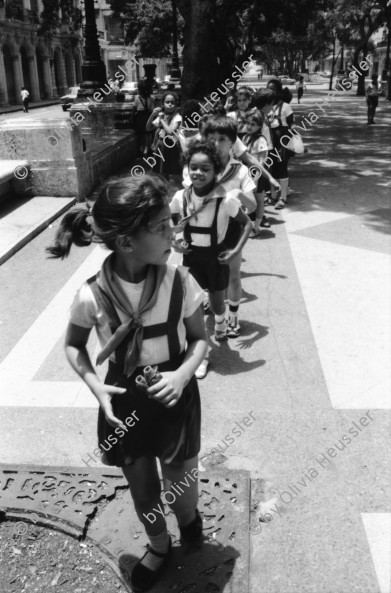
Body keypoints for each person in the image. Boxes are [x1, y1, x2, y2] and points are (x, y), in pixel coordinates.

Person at [46, 175, 207, 592]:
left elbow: (201, 339)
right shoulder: (90, 296)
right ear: (126, 242)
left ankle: (189, 521)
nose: (174, 231)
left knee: (181, 488)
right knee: (144, 492)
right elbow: (75, 347)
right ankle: (158, 545)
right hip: (124, 402)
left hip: (175, 392)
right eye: (161, 227)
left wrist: (183, 373)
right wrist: (95, 386)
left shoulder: (180, 281)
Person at [170, 140, 252, 378]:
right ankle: (201, 356)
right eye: (193, 167)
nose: (198, 173)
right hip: (192, 258)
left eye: (205, 169)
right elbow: (172, 221)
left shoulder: (225, 200)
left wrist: (236, 251)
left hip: (216, 259)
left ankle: (221, 323)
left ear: (216, 172)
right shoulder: (180, 196)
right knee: (195, 308)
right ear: (187, 169)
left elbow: (246, 224)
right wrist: (175, 240)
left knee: (216, 304)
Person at [203, 116, 256, 339]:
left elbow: (252, 205)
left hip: (232, 229)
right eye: (211, 138)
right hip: (205, 228)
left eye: (222, 139)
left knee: (233, 274)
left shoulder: (240, 170)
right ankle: (213, 305)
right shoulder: (200, 166)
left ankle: (233, 317)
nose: (216, 143)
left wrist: (239, 194)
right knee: (208, 273)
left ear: (232, 142)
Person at [266, 78, 294, 209]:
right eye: (268, 89)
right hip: (269, 140)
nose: (269, 92)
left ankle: (283, 198)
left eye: (272, 89)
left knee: (282, 168)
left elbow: (291, 125)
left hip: (282, 141)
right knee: (270, 168)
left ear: (278, 92)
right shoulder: (266, 106)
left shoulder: (286, 107)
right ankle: (273, 195)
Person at [242, 110, 270, 236]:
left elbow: (261, 162)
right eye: (247, 123)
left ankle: (256, 227)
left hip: (257, 175)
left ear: (259, 126)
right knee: (246, 200)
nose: (249, 126)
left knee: (259, 200)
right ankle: (248, 225)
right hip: (246, 173)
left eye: (253, 124)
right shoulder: (245, 137)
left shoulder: (261, 140)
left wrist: (255, 179)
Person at [146, 92, 182, 182]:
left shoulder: (177, 117)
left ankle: (182, 194)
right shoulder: (162, 116)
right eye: (167, 102)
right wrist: (152, 115)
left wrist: (161, 119)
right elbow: (148, 128)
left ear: (176, 104)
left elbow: (170, 131)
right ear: (163, 103)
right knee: (162, 175)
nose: (170, 104)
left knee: (175, 175)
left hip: (172, 147)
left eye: (172, 102)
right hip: (161, 147)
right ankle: (165, 193)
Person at [133, 79, 155, 155]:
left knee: (142, 133)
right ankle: (147, 147)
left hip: (141, 117)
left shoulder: (137, 98)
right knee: (147, 133)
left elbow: (134, 108)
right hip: (148, 116)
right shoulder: (151, 98)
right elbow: (152, 109)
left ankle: (143, 148)